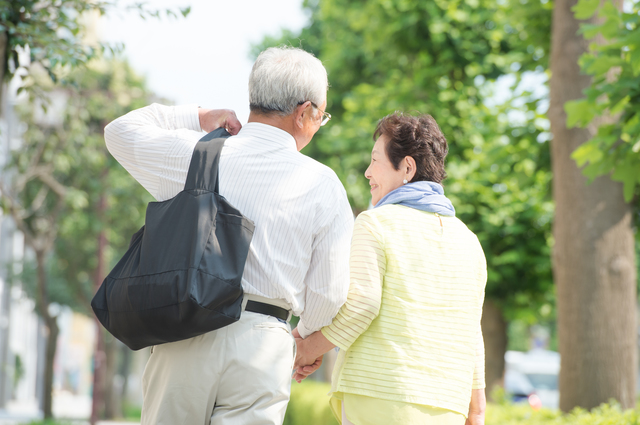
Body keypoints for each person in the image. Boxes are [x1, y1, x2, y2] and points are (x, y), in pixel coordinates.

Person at [104, 46, 353, 425]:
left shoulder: (195, 156)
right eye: (322, 116)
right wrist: (300, 339)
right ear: (305, 112)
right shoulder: (322, 184)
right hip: (262, 342)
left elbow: (119, 132)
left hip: (182, 328)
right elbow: (329, 294)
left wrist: (199, 116)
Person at [293, 112, 487, 425]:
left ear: (407, 167)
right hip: (448, 405)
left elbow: (362, 304)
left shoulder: (375, 224)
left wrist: (306, 349)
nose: (368, 172)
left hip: (382, 397)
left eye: (375, 161)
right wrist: (476, 409)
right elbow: (471, 332)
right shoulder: (469, 241)